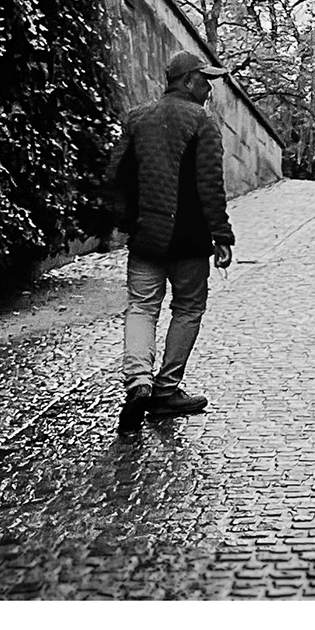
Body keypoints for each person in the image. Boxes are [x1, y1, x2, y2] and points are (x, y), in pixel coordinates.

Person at [102, 49, 236, 433]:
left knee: (141, 308)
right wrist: (221, 235)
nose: (209, 89)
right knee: (188, 308)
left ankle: (138, 382)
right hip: (189, 239)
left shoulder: (137, 118)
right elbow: (210, 186)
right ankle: (165, 391)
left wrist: (126, 222)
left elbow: (115, 174)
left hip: (146, 235)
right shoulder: (202, 122)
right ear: (188, 81)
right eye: (205, 81)